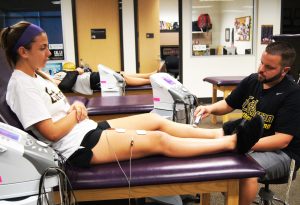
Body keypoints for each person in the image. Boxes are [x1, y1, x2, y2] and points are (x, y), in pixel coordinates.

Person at [0, 21, 263, 169]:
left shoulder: (39, 75)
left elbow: (59, 109)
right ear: (23, 51)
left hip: (85, 129)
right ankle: (232, 143)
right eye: (43, 48)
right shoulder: (21, 86)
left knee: (154, 119)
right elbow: (53, 133)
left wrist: (75, 110)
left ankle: (221, 132)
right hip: (77, 148)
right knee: (158, 139)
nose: (49, 53)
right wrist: (76, 110)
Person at [194, 41, 300, 205]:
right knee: (219, 159)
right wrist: (210, 108)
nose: (261, 69)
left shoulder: (293, 94)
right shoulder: (253, 80)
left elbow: (282, 140)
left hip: (284, 154)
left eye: (269, 67)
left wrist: (239, 143)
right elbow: (229, 104)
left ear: (284, 71)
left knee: (245, 171)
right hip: (251, 141)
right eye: (261, 63)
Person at [46, 64, 158, 95]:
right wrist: (76, 72)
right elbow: (65, 86)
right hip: (91, 81)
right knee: (123, 79)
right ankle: (150, 80)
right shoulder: (51, 81)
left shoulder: (55, 75)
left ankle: (149, 75)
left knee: (121, 74)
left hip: (91, 77)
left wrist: (81, 70)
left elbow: (69, 77)